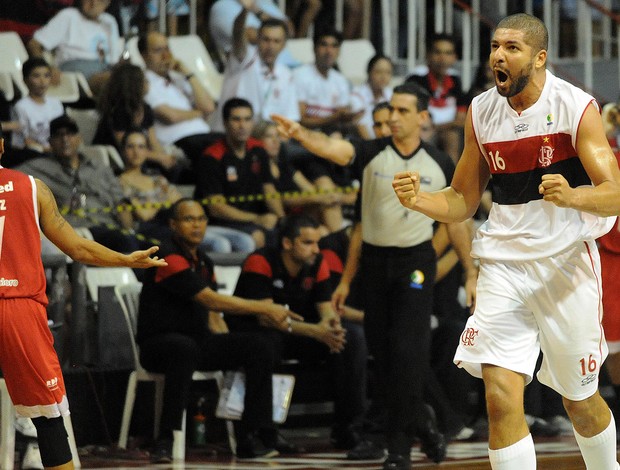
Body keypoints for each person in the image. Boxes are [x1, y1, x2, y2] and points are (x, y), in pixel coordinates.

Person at [392, 13, 620, 470]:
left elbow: (614, 193)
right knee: (499, 398)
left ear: (539, 57)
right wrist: (421, 201)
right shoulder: (480, 111)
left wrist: (573, 195)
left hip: (564, 265)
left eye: (512, 47)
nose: (498, 55)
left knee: (579, 400)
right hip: (503, 265)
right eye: (495, 46)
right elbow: (461, 198)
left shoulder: (576, 106)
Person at [271, 81, 477, 469]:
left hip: (415, 263)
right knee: (384, 359)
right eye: (390, 112)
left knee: (408, 353)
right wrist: (300, 134)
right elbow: (339, 163)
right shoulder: (370, 154)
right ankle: (424, 423)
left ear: (422, 117)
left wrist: (469, 272)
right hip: (375, 264)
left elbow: (456, 222)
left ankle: (399, 449)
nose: (393, 119)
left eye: (402, 111)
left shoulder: (438, 161)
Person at [0, 120, 166, 470]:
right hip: (18, 310)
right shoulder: (31, 187)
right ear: (2, 147)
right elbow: (76, 247)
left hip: (18, 306)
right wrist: (124, 258)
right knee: (48, 416)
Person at [137, 198, 303, 462]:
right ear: (173, 225)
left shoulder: (204, 261)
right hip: (158, 345)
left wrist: (231, 346)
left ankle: (254, 434)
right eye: (189, 219)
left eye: (201, 219)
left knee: (260, 345)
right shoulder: (166, 256)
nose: (197, 225)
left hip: (198, 341)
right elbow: (210, 299)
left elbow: (214, 315)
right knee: (183, 348)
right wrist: (263, 308)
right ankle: (166, 439)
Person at [229, 214, 367, 450]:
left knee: (350, 337)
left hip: (298, 332)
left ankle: (348, 427)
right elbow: (267, 317)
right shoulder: (260, 261)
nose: (316, 249)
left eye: (317, 242)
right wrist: (316, 331)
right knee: (268, 343)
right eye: (308, 243)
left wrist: (332, 328)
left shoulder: (317, 262)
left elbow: (326, 310)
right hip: (256, 332)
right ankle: (265, 431)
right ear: (287, 243)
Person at [17, 114, 140, 254]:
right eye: (58, 135)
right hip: (75, 230)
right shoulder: (38, 167)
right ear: (50, 142)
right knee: (125, 243)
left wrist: (129, 229)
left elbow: (120, 202)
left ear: (79, 138)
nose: (65, 139)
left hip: (108, 226)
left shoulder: (100, 169)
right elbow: (8, 178)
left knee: (151, 245)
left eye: (70, 133)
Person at [119, 128, 255, 253]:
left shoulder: (157, 177)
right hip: (156, 229)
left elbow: (180, 203)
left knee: (245, 241)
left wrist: (162, 204)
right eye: (131, 146)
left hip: (183, 223)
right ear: (123, 150)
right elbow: (144, 215)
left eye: (141, 146)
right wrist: (165, 200)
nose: (136, 152)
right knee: (219, 244)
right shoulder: (120, 182)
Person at [195, 98, 285, 249]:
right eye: (236, 120)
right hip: (222, 222)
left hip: (254, 219)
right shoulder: (212, 157)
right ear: (225, 123)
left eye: (247, 119)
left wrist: (282, 219)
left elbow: (268, 189)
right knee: (258, 237)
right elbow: (216, 208)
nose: (242, 125)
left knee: (291, 234)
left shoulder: (258, 150)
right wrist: (257, 219)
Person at [212, 7, 300, 132]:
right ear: (257, 39)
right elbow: (237, 34)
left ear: (284, 44)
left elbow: (291, 118)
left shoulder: (286, 74)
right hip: (231, 136)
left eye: (276, 41)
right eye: (266, 40)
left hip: (269, 139)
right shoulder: (245, 58)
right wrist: (244, 12)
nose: (270, 46)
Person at [138, 31, 217, 167]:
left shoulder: (179, 78)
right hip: (179, 141)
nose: (166, 55)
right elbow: (171, 116)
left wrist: (187, 72)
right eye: (158, 50)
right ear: (144, 56)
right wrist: (199, 113)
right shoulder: (144, 82)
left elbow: (209, 107)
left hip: (203, 135)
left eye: (167, 48)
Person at [94, 62, 184, 180]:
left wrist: (165, 157)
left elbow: (153, 142)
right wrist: (159, 158)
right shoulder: (118, 111)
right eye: (144, 80)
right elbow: (126, 147)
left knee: (175, 169)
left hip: (139, 153)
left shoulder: (145, 109)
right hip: (117, 158)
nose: (148, 83)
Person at [252, 120, 345, 233]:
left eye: (277, 136)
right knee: (322, 231)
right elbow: (277, 199)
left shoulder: (283, 164)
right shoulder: (257, 167)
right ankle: (339, 238)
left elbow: (309, 189)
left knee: (325, 192)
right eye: (269, 137)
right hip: (277, 217)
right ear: (257, 140)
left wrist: (327, 197)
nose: (275, 141)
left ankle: (339, 237)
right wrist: (317, 198)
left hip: (298, 213)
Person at [26, 0, 120, 94]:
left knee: (127, 77)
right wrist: (47, 68)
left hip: (104, 67)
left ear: (107, 3)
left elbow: (113, 59)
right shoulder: (69, 16)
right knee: (114, 81)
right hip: (75, 68)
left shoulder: (110, 21)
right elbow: (34, 44)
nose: (93, 3)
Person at [406, 33, 469, 163]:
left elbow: (461, 119)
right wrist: (442, 126)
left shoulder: (455, 80)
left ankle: (452, 181)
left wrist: (439, 127)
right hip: (422, 132)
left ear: (454, 57)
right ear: (428, 55)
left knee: (452, 136)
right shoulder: (416, 78)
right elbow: (415, 118)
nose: (442, 58)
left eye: (448, 53)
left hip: (446, 132)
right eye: (437, 52)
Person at [10, 57, 64, 161]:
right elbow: (23, 141)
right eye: (36, 76)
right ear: (25, 80)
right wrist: (46, 149)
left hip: (58, 153)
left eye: (46, 75)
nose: (42, 81)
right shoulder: (21, 106)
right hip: (36, 157)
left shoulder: (56, 103)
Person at [350, 55, 394, 140]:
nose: (383, 76)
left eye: (388, 72)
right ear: (369, 72)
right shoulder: (356, 95)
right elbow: (361, 127)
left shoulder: (391, 94)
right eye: (378, 72)